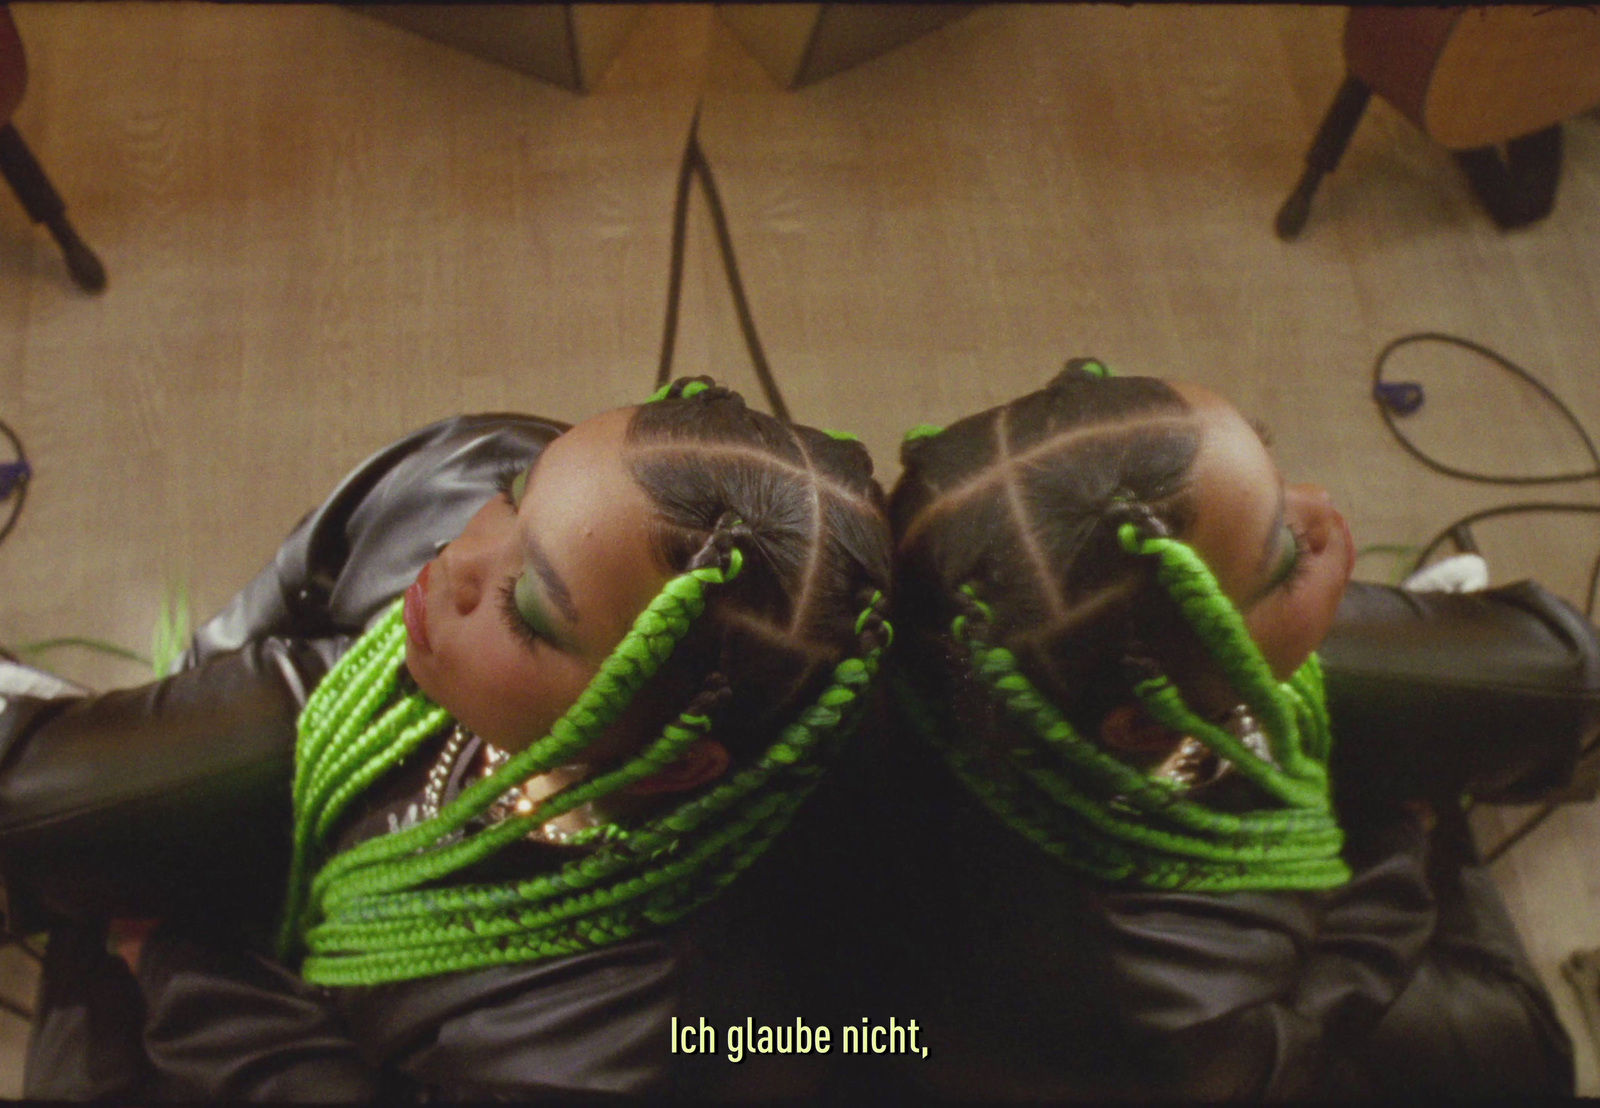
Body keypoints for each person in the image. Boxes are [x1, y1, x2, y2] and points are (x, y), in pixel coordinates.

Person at [0, 376, 893, 1100]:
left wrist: (172, 965)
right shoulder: (463, 471)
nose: (458, 562)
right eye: (516, 498)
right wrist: (183, 750)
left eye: (529, 610)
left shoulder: (613, 1045)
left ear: (679, 763)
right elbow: (278, 597)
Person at [878, 359, 1589, 1099]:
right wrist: (1403, 846)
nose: (1322, 508)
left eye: (1274, 464)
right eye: (1284, 559)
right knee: (1524, 1051)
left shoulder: (998, 645)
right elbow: (1302, 1037)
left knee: (1566, 669)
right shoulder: (1174, 1015)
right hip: (1304, 971)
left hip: (1208, 728)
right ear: (1151, 726)